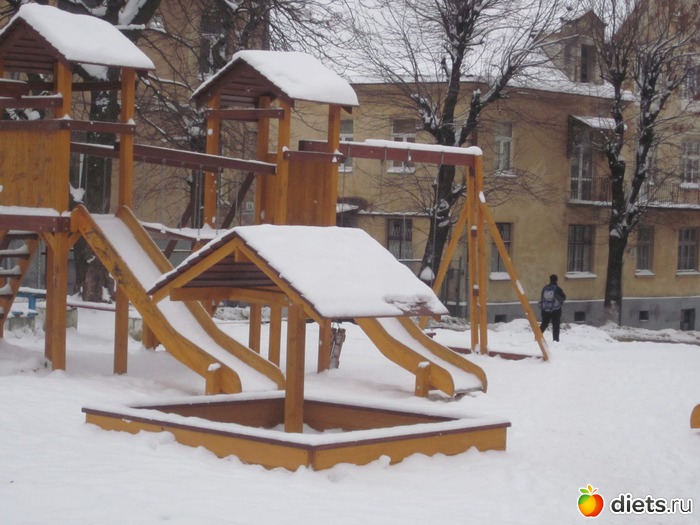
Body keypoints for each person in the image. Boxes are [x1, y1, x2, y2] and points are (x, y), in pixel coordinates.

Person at [539, 274, 566, 342]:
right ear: (556, 280)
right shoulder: (557, 289)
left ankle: (538, 336)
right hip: (556, 310)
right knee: (556, 325)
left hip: (545, 310)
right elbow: (563, 298)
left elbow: (542, 298)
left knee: (544, 324)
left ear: (550, 279)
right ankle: (555, 340)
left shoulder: (545, 288)